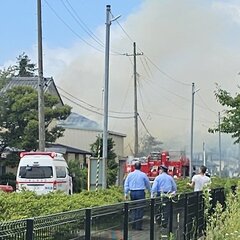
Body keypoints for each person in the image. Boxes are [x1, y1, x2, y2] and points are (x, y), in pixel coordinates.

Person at [124, 161, 151, 230]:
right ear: (140, 167)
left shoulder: (130, 175)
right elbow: (148, 184)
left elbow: (126, 184)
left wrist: (126, 193)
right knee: (140, 209)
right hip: (140, 192)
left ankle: (133, 225)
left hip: (132, 193)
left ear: (134, 167)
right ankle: (138, 226)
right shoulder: (143, 175)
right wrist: (150, 192)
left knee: (133, 208)